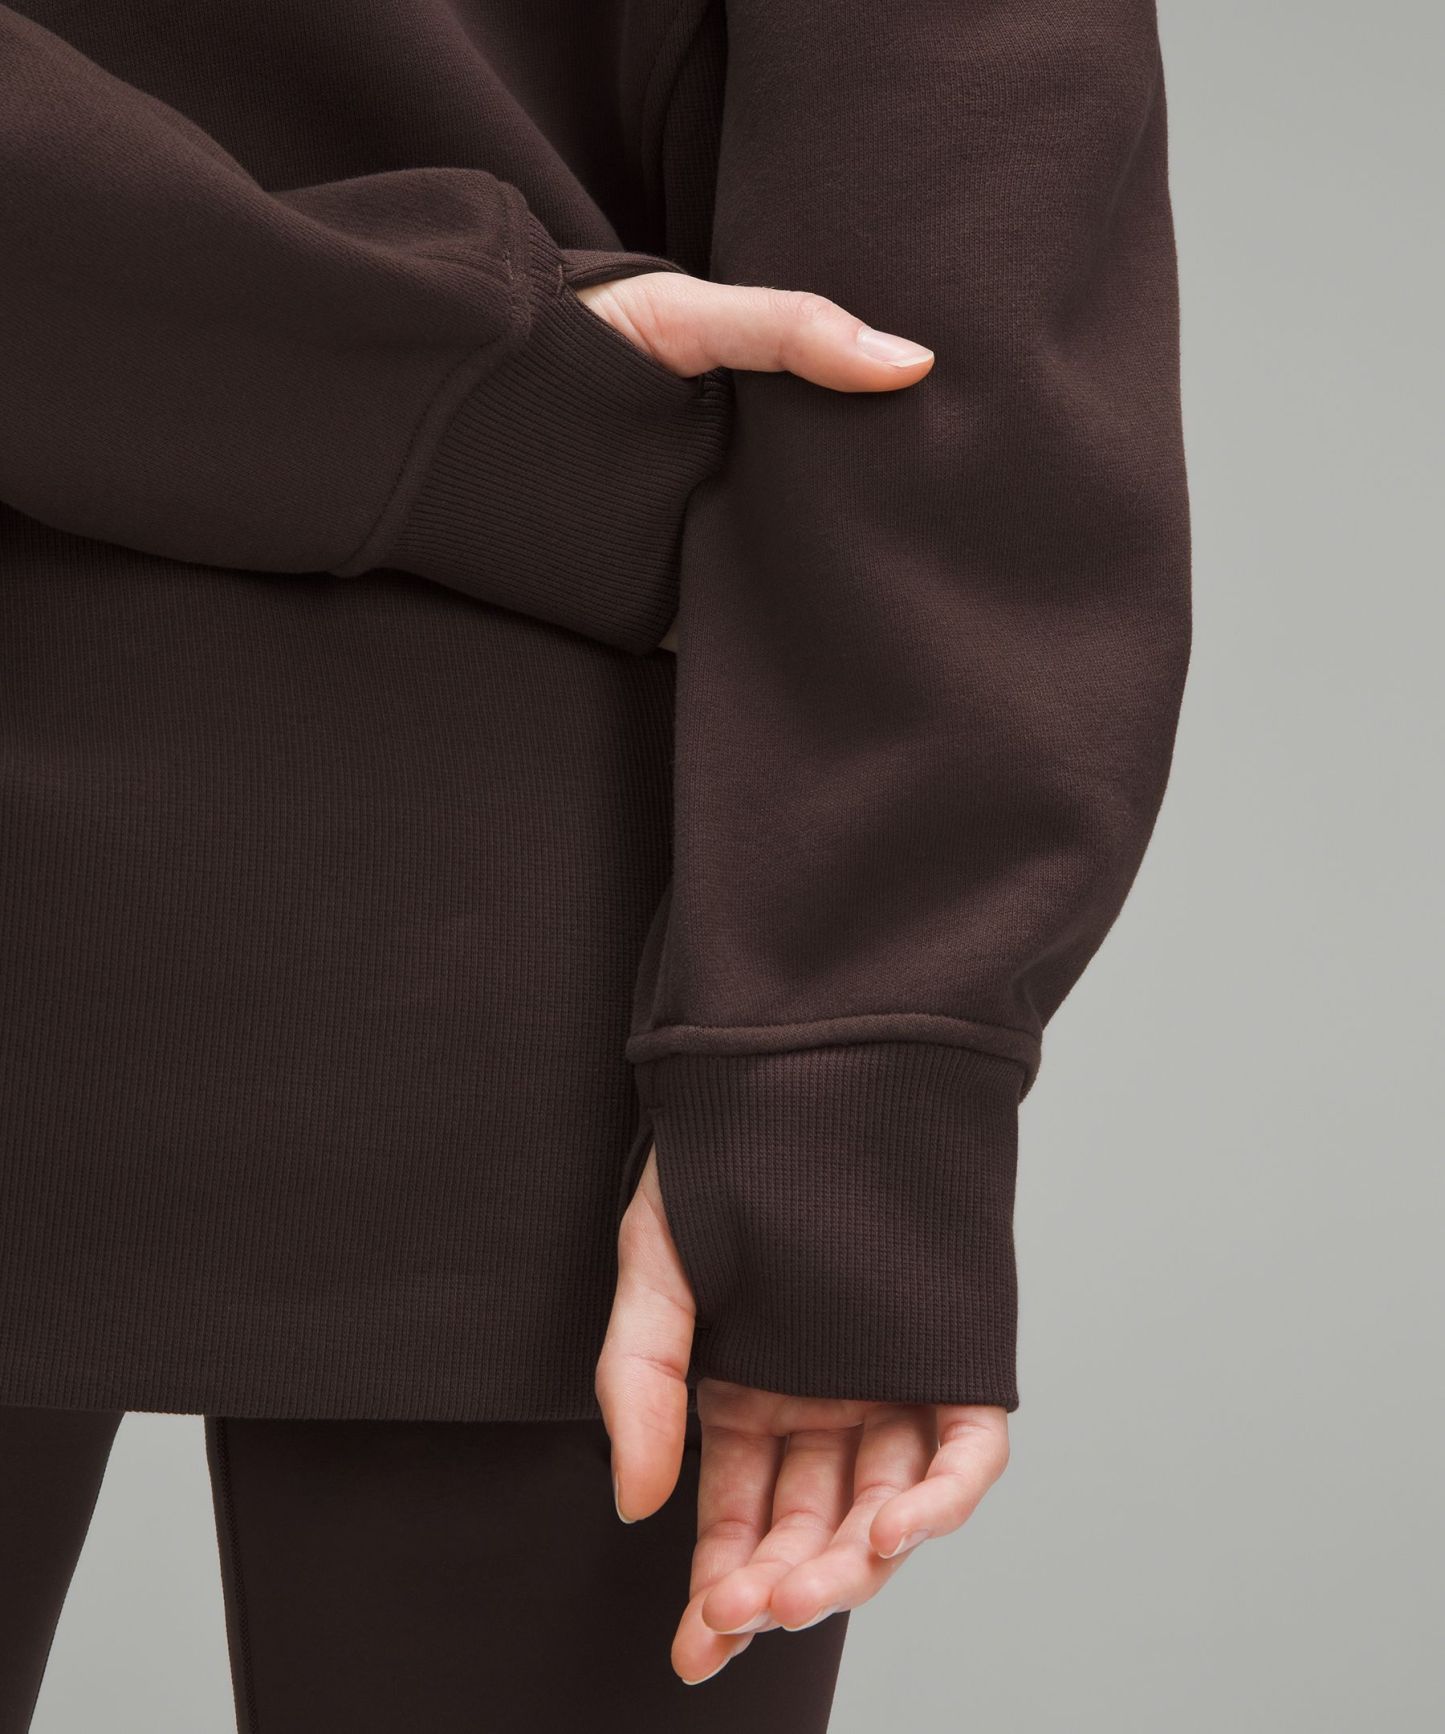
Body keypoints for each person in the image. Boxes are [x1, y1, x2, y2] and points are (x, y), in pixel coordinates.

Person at [0, 0, 1191, 1728]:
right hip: (561, 879)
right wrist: (850, 1067)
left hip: (563, 969)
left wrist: (842, 1085)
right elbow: (961, 202)